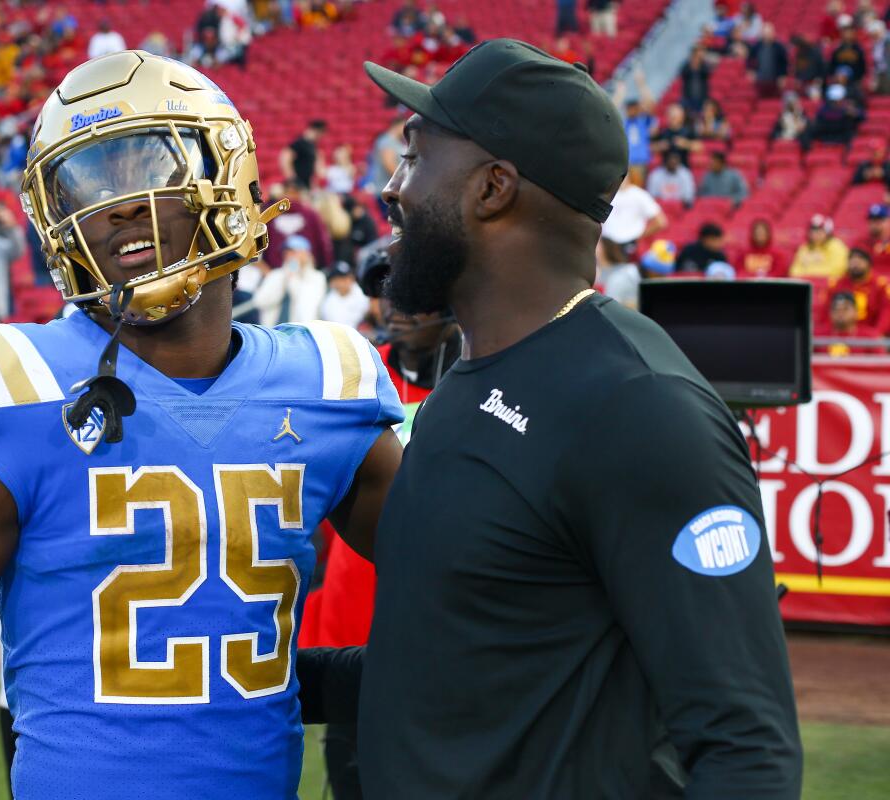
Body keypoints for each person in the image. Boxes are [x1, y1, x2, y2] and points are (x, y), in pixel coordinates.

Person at [0, 51, 404, 799]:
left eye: (140, 165)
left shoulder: (328, 380)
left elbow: (471, 580)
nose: (111, 204)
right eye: (85, 182)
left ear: (226, 174)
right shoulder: (9, 389)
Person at [303, 40, 801, 797]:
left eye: (415, 155)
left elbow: (746, 747)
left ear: (493, 188)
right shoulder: (468, 377)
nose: (393, 188)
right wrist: (242, 672)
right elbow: (466, 661)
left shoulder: (639, 408)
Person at [299, 285, 461, 800]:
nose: (400, 310)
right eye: (389, 297)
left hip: (441, 598)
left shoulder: (482, 375)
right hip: (355, 588)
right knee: (352, 754)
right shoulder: (355, 377)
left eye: (417, 297)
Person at [253, 234, 329, 325]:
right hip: (273, 330)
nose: (289, 256)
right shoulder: (276, 275)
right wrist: (284, 280)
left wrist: (294, 279)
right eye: (286, 253)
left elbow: (307, 308)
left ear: (306, 254)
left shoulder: (317, 277)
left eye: (294, 252)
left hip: (300, 331)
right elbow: (260, 302)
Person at [600, 166, 666, 259]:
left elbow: (660, 222)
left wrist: (638, 238)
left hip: (630, 246)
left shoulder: (639, 195)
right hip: (607, 244)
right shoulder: (606, 195)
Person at [827, 248, 890, 333]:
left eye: (860, 260)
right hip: (842, 333)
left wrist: (876, 333)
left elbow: (886, 312)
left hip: (871, 334)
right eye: (852, 260)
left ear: (868, 263)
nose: (855, 264)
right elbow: (827, 312)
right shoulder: (837, 285)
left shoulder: (880, 285)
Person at [815, 291, 884, 355]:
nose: (840, 312)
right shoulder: (818, 335)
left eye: (845, 309)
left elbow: (881, 364)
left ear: (856, 312)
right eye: (836, 309)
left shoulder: (870, 337)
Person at [790, 214, 849, 278]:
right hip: (806, 283)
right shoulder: (805, 247)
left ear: (827, 232)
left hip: (829, 285)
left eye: (819, 230)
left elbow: (836, 269)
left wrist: (807, 272)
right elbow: (794, 270)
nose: (815, 234)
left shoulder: (836, 246)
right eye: (812, 230)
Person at [319, 261, 370, 329]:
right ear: (332, 282)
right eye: (341, 278)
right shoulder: (328, 303)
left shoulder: (363, 294)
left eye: (348, 277)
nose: (346, 280)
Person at [280, 119, 328, 189]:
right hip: (298, 183)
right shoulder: (300, 142)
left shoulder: (312, 145)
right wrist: (292, 178)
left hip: (306, 183)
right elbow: (285, 157)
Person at [747, 22, 790, 98]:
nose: (767, 35)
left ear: (773, 33)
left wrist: (783, 76)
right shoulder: (756, 47)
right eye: (765, 33)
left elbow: (784, 63)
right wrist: (751, 71)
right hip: (760, 80)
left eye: (769, 33)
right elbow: (750, 60)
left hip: (775, 81)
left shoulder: (779, 47)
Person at [858, 203, 890, 273]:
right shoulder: (861, 243)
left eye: (879, 220)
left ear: (888, 221)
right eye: (871, 220)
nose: (874, 223)